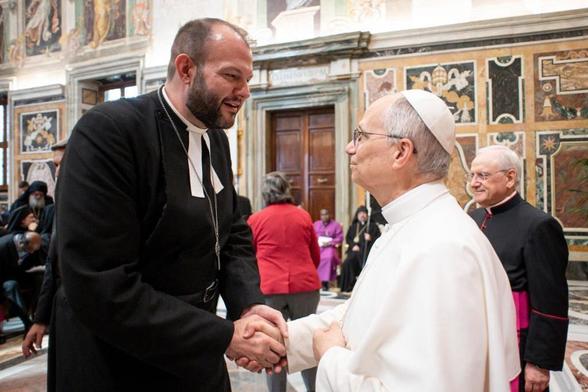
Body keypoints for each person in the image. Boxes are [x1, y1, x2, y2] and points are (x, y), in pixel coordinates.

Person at [53, 18, 286, 391]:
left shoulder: (216, 140)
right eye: (231, 76)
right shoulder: (110, 132)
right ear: (186, 68)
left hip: (194, 351)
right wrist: (225, 336)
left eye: (248, 80)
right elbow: (101, 284)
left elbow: (232, 232)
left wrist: (248, 305)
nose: (244, 91)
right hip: (120, 363)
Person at [241, 90, 521, 390]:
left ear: (401, 151)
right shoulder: (411, 225)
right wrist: (283, 339)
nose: (349, 148)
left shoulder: (444, 249)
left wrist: (331, 356)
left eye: (360, 136)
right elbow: (360, 315)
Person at [469, 145, 569, 392]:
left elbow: (551, 302)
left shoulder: (539, 225)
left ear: (510, 177)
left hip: (515, 344)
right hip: (476, 341)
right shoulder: (473, 219)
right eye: (472, 175)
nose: (474, 183)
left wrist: (538, 363)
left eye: (482, 175)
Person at [247, 171, 321, 392]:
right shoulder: (303, 216)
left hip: (270, 288)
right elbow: (315, 254)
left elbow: (248, 257)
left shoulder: (256, 219)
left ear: (265, 194)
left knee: (273, 348)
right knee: (308, 344)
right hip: (305, 286)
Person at [22, 136, 68, 359]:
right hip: (67, 309)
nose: (57, 173)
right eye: (55, 166)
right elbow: (54, 260)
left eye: (60, 165)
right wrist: (41, 318)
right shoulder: (62, 202)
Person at [339, 205, 380, 293]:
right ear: (357, 215)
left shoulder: (372, 226)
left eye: (364, 213)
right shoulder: (353, 227)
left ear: (367, 215)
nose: (362, 215)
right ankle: (349, 286)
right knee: (347, 262)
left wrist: (370, 238)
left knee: (365, 262)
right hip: (355, 251)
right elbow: (348, 238)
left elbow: (379, 239)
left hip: (367, 251)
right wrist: (353, 245)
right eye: (360, 213)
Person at [313, 209, 343, 291]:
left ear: (329, 215)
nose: (324, 216)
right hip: (318, 247)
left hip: (330, 247)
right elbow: (311, 235)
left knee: (328, 258)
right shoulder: (316, 224)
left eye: (326, 214)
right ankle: (317, 282)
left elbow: (340, 238)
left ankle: (325, 282)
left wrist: (330, 242)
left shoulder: (336, 225)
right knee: (314, 257)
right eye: (322, 215)